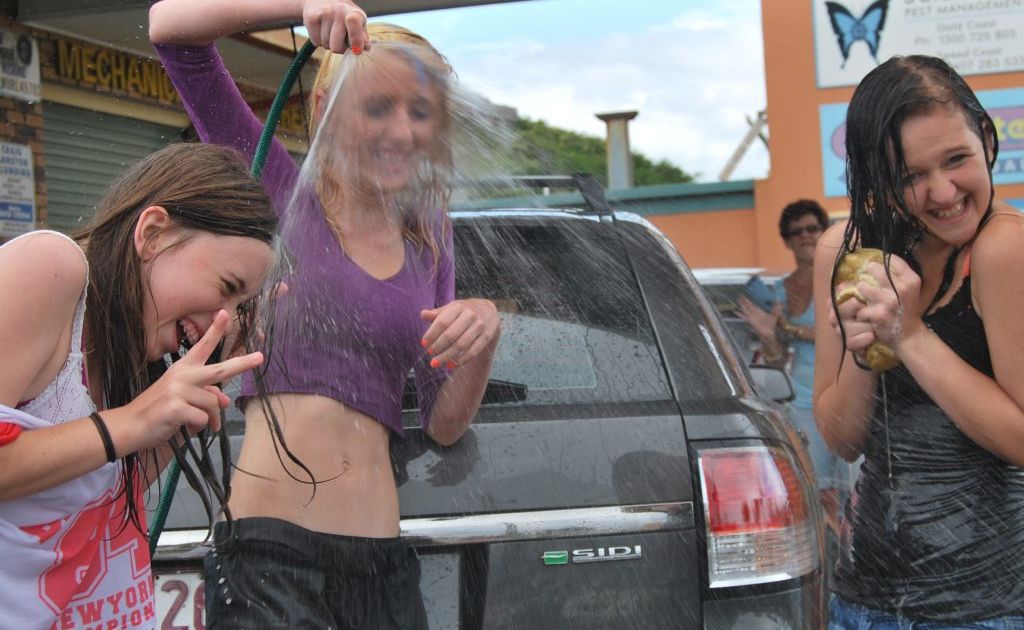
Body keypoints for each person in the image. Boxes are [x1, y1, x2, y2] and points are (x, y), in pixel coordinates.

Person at [149, 2, 501, 628]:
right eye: (377, 108)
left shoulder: (430, 240)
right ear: (324, 112)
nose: (402, 131)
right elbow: (171, 31)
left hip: (381, 564)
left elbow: (444, 425)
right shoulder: (280, 195)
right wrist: (305, 5)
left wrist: (484, 334)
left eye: (419, 112)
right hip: (270, 556)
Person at [0, 142, 277, 630]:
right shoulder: (51, 267)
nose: (227, 318)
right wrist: (135, 420)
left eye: (242, 306)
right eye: (228, 288)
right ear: (152, 234)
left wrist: (187, 406)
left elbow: (93, 505)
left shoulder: (128, 348)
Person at [812, 54, 1024, 627]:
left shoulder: (1004, 249)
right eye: (910, 177)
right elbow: (841, 439)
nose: (943, 191)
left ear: (985, 136)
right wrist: (868, 351)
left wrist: (907, 334)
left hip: (987, 611)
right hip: (861, 603)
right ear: (877, 176)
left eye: (956, 160)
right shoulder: (847, 250)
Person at [737, 200, 851, 536]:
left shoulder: (841, 278)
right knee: (809, 494)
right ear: (787, 241)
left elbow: (840, 332)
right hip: (798, 401)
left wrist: (789, 327)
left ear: (824, 231)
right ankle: (826, 565)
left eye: (812, 228)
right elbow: (775, 359)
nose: (805, 236)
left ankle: (844, 562)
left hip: (840, 395)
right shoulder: (778, 293)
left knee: (836, 495)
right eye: (796, 232)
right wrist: (770, 335)